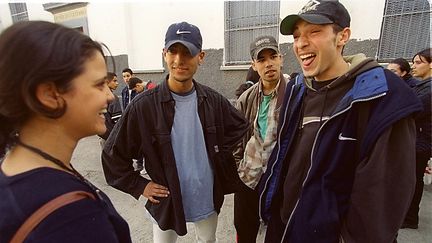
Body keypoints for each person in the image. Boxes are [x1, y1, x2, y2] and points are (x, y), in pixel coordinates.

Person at [257, 1, 423, 242]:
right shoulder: (298, 89)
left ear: (342, 36)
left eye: (314, 32)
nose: (301, 43)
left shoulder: (382, 97)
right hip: (286, 229)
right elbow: (284, 160)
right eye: (296, 36)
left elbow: (381, 203)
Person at [101, 21, 248, 243]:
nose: (179, 60)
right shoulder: (143, 106)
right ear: (164, 53)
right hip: (166, 199)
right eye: (173, 51)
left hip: (206, 195)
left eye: (187, 52)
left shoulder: (213, 101)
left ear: (201, 56)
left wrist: (220, 160)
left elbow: (240, 129)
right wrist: (140, 185)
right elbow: (112, 153)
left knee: (208, 240)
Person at [0, 21, 131, 242]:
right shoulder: (69, 217)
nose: (109, 96)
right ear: (50, 95)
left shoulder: (16, 172)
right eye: (99, 85)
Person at [233, 35, 287, 243]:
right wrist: (238, 166)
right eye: (262, 59)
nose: (269, 63)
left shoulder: (294, 93)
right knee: (245, 230)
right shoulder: (246, 98)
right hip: (249, 176)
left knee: (277, 232)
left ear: (281, 58)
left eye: (273, 56)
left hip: (279, 180)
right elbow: (236, 138)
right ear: (254, 65)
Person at [402, 48, 431, 229]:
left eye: (419, 62)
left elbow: (413, 110)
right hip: (417, 139)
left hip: (420, 141)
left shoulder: (429, 89)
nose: (414, 66)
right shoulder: (421, 85)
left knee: (412, 180)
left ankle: (410, 218)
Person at [99, 72, 122, 148]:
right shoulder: (113, 98)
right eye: (114, 81)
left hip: (102, 134)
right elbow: (117, 120)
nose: (117, 83)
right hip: (112, 135)